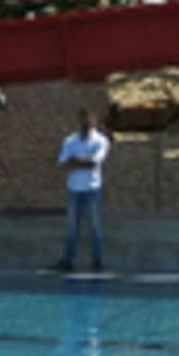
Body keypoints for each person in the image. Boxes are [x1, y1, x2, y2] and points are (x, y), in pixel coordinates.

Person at [56, 106, 110, 271]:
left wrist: (75, 161)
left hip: (92, 189)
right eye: (82, 119)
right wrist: (82, 162)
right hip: (74, 189)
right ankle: (67, 261)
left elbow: (94, 162)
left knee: (95, 226)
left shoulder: (100, 141)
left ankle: (97, 261)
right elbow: (63, 163)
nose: (85, 123)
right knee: (72, 227)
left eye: (88, 119)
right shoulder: (70, 141)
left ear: (94, 121)